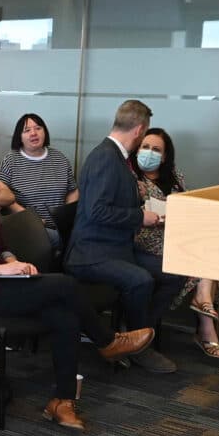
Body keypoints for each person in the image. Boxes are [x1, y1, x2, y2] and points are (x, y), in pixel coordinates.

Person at [0, 139, 153, 430]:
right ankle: (107, 341)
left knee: (65, 317)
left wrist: (13, 261)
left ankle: (62, 401)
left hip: (1, 282)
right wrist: (4, 269)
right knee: (66, 285)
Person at [68, 99, 177, 375]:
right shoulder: (107, 157)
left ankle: (134, 335)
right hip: (91, 253)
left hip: (116, 248)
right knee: (140, 280)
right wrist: (140, 217)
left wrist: (136, 194)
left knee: (174, 274)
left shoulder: (118, 157)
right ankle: (139, 348)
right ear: (140, 129)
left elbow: (109, 200)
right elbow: (96, 212)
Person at [133, 127, 219, 361]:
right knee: (200, 255)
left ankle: (202, 303)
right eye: (145, 147)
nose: (149, 153)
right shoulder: (131, 177)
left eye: (156, 149)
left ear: (164, 156)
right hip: (145, 238)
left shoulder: (174, 176)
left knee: (210, 248)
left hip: (175, 235)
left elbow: (187, 205)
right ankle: (205, 325)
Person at [0, 113, 77, 250]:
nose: (33, 133)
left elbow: (73, 190)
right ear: (20, 137)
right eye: (27, 130)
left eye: (38, 128)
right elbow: (2, 193)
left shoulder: (59, 158)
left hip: (60, 225)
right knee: (70, 241)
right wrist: (32, 219)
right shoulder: (11, 160)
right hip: (28, 226)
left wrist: (68, 217)